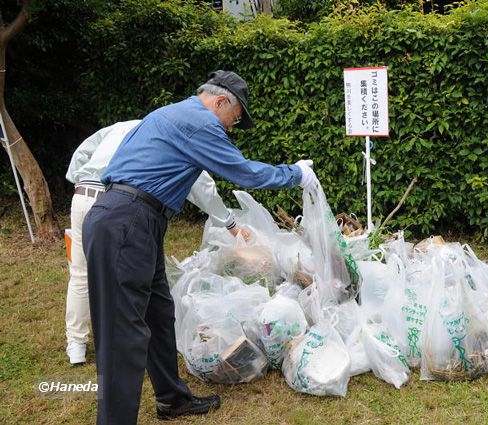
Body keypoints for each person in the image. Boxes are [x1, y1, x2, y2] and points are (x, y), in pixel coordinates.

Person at [82, 70, 318, 424]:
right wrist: (296, 174)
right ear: (221, 101)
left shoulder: (170, 114)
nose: (232, 128)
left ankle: (171, 399)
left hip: (134, 220)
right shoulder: (199, 123)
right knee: (122, 335)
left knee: (160, 314)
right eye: (235, 119)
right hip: (127, 223)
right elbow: (244, 173)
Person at [64, 120, 243, 365]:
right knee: (129, 278)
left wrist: (78, 178)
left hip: (83, 197)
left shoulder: (122, 126)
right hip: (116, 201)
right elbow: (202, 185)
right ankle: (126, 346)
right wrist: (230, 223)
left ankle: (76, 346)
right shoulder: (171, 134)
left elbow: (84, 150)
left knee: (81, 273)